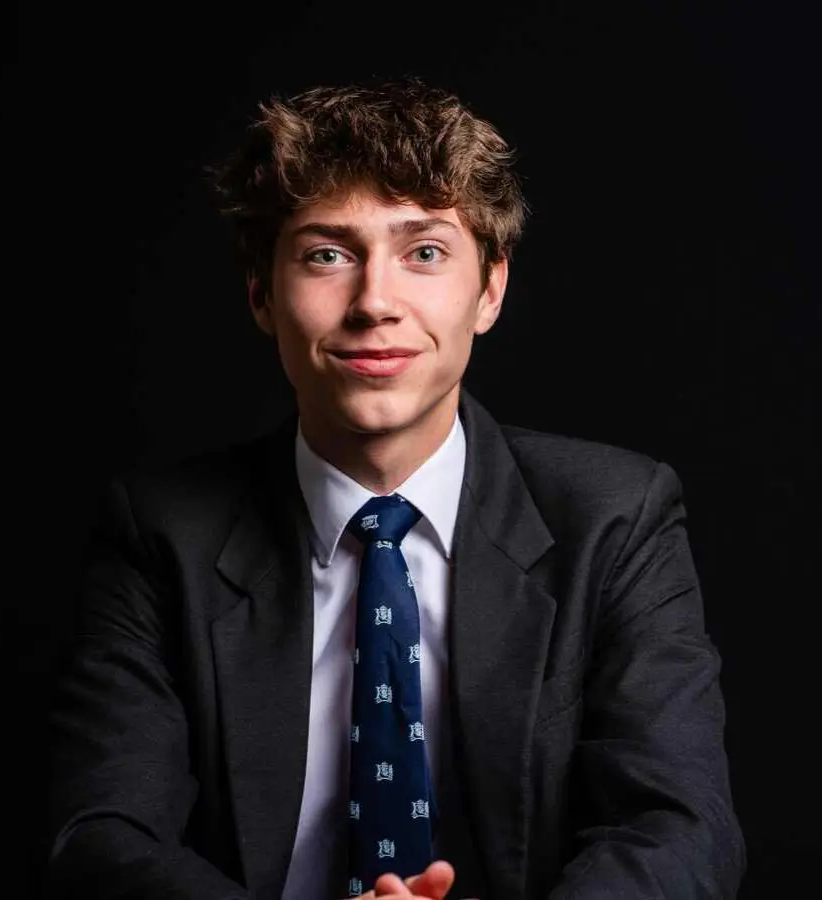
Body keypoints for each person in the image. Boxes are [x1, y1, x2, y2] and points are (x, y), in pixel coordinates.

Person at [45, 78, 746, 900]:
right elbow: (99, 836)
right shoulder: (163, 533)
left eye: (425, 253)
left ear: (490, 289)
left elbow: (677, 829)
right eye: (327, 254)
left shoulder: (615, 517)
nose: (375, 302)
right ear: (261, 295)